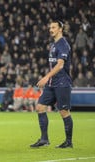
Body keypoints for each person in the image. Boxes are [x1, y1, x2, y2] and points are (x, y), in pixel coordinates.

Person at [30, 20, 73, 148]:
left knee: (64, 111)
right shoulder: (53, 45)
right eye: (50, 27)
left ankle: (69, 142)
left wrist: (45, 77)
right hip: (52, 83)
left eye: (53, 27)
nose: (50, 29)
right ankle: (44, 139)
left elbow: (60, 65)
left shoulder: (63, 44)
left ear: (60, 29)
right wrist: (48, 79)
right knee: (40, 107)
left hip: (62, 83)